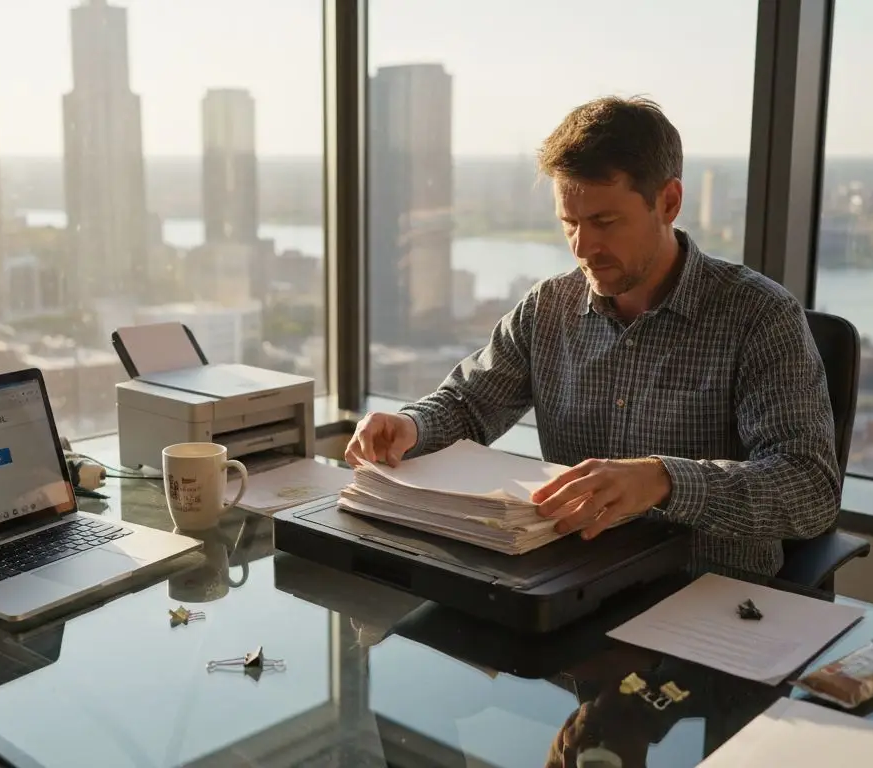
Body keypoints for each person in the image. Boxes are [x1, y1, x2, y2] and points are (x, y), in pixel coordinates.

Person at [344, 96, 840, 575]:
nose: (584, 247)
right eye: (569, 224)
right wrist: (411, 426)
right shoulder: (547, 308)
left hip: (708, 596)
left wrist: (665, 481)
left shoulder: (760, 315)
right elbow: (469, 406)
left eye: (604, 221)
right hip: (570, 585)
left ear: (668, 202)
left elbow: (809, 488)